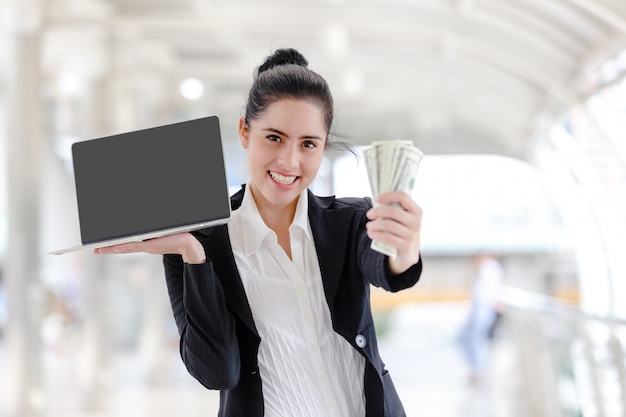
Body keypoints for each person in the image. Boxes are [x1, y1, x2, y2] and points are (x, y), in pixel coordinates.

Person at [95, 48, 423, 417]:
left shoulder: (350, 220)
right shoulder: (201, 241)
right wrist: (193, 256)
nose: (289, 161)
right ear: (244, 131)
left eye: (308, 144)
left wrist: (403, 250)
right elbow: (217, 371)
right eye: (274, 138)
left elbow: (387, 269)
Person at [457, 253, 504, 385]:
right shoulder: (486, 268)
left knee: (477, 339)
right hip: (480, 307)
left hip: (484, 307)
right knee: (468, 338)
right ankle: (477, 369)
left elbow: (488, 293)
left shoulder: (490, 267)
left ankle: (478, 370)